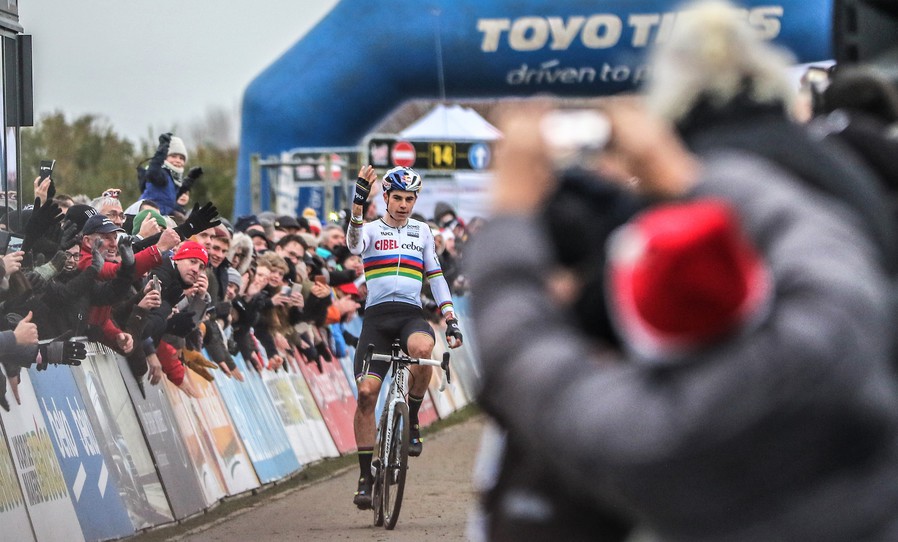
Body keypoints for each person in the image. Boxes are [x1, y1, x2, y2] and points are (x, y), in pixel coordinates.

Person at [467, 84, 898, 540]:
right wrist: (680, 174)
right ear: (752, 281)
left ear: (633, 321)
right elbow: (807, 228)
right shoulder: (829, 332)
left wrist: (511, 207)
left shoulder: (635, 432)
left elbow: (518, 341)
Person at [346, 164, 464, 510]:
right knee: (367, 394)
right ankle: (366, 477)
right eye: (397, 197)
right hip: (377, 320)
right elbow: (354, 245)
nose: (402, 204)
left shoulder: (422, 232)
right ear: (385, 197)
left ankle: (411, 419)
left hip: (411, 315)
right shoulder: (369, 229)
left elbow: (437, 276)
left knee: (425, 348)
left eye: (409, 199)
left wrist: (451, 318)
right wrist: (357, 204)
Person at [139, 132, 203, 216]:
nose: (178, 160)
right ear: (165, 157)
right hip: (148, 215)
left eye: (181, 158)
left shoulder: (173, 178)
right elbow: (152, 172)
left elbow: (173, 195)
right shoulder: (161, 173)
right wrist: (162, 149)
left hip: (164, 215)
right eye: (173, 156)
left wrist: (190, 178)